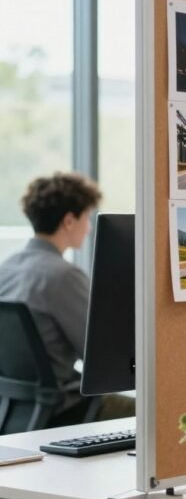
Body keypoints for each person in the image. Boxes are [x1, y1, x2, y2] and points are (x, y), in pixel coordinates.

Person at [0, 173, 135, 425]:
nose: (90, 227)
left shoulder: (6, 268)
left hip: (14, 411)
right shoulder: (63, 276)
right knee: (155, 411)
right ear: (69, 221)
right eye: (87, 217)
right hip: (66, 409)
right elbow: (100, 354)